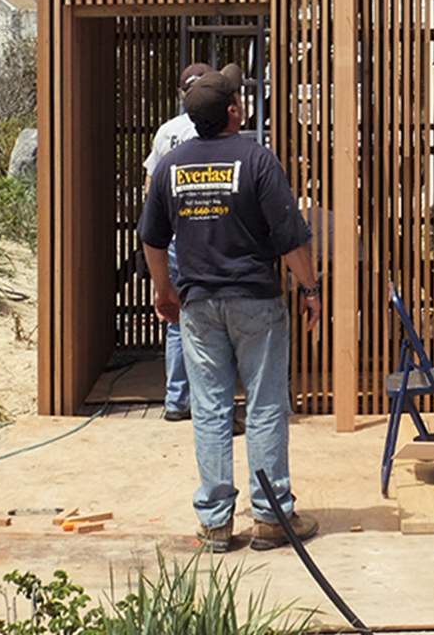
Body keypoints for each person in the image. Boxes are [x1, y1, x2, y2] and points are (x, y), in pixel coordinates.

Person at [138, 61, 323, 552]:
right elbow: (290, 237)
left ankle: (217, 521)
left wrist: (163, 289)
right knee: (265, 406)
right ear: (234, 111)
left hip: (199, 306)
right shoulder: (257, 160)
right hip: (255, 302)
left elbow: (151, 238)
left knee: (210, 409)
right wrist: (310, 289)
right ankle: (271, 517)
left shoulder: (171, 166)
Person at [143, 61, 211, 421]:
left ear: (181, 95)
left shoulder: (166, 131)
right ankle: (209, 400)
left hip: (172, 237)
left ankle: (176, 400)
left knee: (176, 317)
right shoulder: (213, 129)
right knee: (212, 319)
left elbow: (150, 184)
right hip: (208, 237)